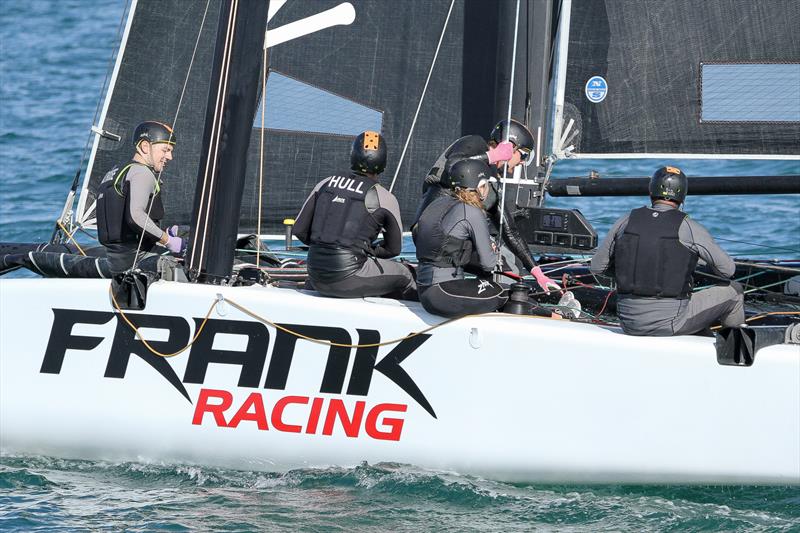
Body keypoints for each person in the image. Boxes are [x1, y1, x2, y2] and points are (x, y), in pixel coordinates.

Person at [590, 166, 745, 336]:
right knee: (735, 291)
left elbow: (597, 267)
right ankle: (736, 350)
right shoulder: (687, 226)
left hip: (628, 322)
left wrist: (631, 274)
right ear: (682, 197)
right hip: (669, 322)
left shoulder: (625, 220)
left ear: (651, 192)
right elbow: (728, 270)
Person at [415, 118, 559, 293]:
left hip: (449, 248)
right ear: (510, 146)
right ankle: (499, 307)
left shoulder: (490, 183)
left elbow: (510, 232)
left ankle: (474, 295)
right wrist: (494, 155)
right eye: (524, 155)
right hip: (431, 237)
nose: (522, 162)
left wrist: (538, 272)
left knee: (506, 259)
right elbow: (454, 167)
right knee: (505, 267)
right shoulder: (473, 143)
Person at [293, 131, 416, 299]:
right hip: (350, 276)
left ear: (353, 155)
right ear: (383, 162)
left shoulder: (325, 183)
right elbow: (393, 249)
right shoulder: (385, 197)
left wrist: (324, 245)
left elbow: (299, 230)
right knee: (405, 273)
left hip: (315, 274)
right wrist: (368, 250)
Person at [414, 158, 508, 317]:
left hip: (423, 289)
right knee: (506, 292)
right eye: (485, 185)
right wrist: (493, 250)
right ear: (478, 187)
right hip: (443, 292)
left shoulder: (438, 202)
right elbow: (488, 263)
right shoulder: (472, 212)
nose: (487, 189)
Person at [96, 121, 184, 275]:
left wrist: (161, 233)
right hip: (136, 259)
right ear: (145, 147)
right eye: (165, 150)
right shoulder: (142, 173)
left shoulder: (116, 172)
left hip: (115, 257)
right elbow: (135, 216)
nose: (170, 156)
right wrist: (168, 241)